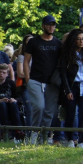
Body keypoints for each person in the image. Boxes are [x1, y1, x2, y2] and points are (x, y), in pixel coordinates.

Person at [24, 15, 62, 144]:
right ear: (43, 26)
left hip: (52, 82)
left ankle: (44, 136)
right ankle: (34, 133)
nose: (51, 27)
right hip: (35, 80)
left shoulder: (58, 43)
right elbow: (26, 60)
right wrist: (27, 78)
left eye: (53, 25)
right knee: (39, 106)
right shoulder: (34, 42)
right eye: (48, 24)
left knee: (49, 111)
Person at [59, 29, 83, 148]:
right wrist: (67, 90)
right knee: (71, 113)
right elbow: (63, 73)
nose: (81, 41)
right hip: (72, 86)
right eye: (78, 39)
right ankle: (71, 138)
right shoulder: (67, 54)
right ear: (73, 40)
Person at [0, 63, 24, 140]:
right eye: (0, 72)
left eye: (4, 73)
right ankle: (5, 130)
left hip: (10, 106)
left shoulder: (11, 83)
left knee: (13, 104)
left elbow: (19, 97)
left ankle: (17, 130)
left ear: (7, 74)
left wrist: (14, 100)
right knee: (3, 104)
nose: (1, 74)